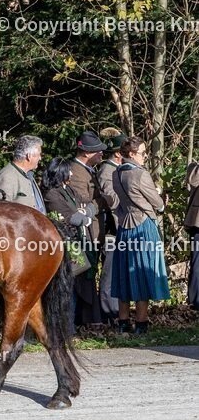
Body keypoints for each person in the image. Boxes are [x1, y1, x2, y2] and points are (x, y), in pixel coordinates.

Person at [111, 136, 169, 335]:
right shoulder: (140, 174)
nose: (145, 156)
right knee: (142, 272)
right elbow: (157, 202)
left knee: (124, 274)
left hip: (124, 227)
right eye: (143, 153)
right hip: (143, 227)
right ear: (133, 154)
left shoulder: (116, 172)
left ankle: (123, 322)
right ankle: (142, 323)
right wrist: (161, 202)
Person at [69, 130, 107, 328]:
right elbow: (82, 203)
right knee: (83, 276)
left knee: (90, 275)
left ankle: (91, 317)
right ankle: (83, 319)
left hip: (94, 229)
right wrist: (99, 202)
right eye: (98, 151)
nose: (102, 154)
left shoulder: (88, 170)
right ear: (85, 152)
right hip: (84, 232)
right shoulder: (75, 172)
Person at [42, 157, 97, 285]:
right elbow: (71, 218)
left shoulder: (68, 189)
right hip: (67, 245)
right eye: (68, 171)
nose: (71, 174)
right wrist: (85, 218)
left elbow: (88, 204)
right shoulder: (51, 194)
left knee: (85, 282)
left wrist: (85, 211)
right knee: (73, 285)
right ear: (61, 172)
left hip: (80, 241)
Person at [97, 131, 125, 326]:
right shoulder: (108, 171)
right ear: (117, 154)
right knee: (110, 274)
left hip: (117, 228)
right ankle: (110, 313)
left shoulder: (116, 169)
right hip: (111, 230)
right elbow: (110, 200)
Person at [0, 136, 46, 211]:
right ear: (29, 156)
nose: (40, 158)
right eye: (39, 154)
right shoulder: (7, 177)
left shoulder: (28, 175)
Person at [184, 161, 199, 310]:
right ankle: (195, 302)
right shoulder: (194, 167)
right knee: (198, 264)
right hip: (198, 223)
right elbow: (193, 180)